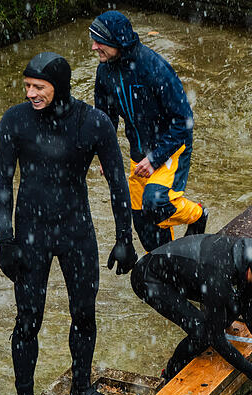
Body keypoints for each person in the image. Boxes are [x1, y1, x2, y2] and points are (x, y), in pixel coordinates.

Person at [0, 52, 139, 395]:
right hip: (31, 235)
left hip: (76, 230)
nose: (31, 94)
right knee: (27, 321)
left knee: (84, 313)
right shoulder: (16, 121)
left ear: (59, 85)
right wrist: (5, 239)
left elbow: (117, 184)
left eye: (38, 87)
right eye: (27, 87)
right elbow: (2, 184)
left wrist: (125, 238)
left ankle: (81, 387)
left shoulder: (93, 123)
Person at [90, 10, 208, 252]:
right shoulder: (104, 73)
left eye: (99, 41)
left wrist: (155, 159)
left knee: (155, 203)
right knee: (148, 235)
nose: (93, 47)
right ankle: (172, 264)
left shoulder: (154, 68)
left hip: (171, 148)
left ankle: (197, 215)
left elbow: (184, 121)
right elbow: (105, 119)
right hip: (138, 154)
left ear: (117, 41)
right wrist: (105, 153)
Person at [131, 234, 252, 395]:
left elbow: (249, 306)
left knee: (232, 308)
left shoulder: (251, 258)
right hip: (149, 278)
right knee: (202, 333)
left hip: (186, 273)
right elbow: (215, 337)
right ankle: (169, 373)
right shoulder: (219, 275)